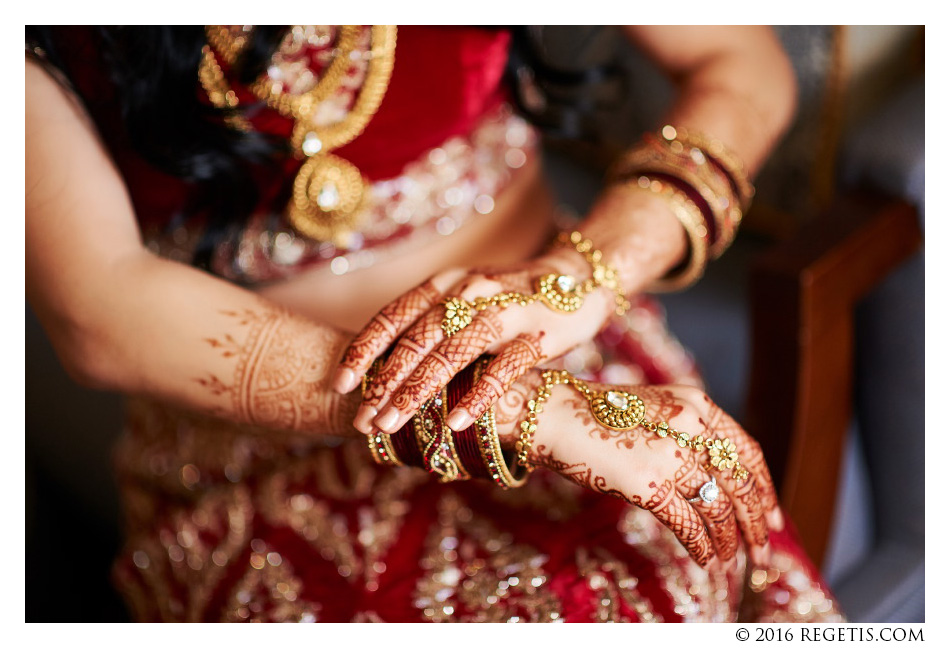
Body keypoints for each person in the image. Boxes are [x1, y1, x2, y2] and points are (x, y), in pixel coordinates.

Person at [25, 25, 843, 622]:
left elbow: (736, 62)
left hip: (564, 347)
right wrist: (517, 406)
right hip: (242, 439)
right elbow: (99, 308)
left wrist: (581, 276)